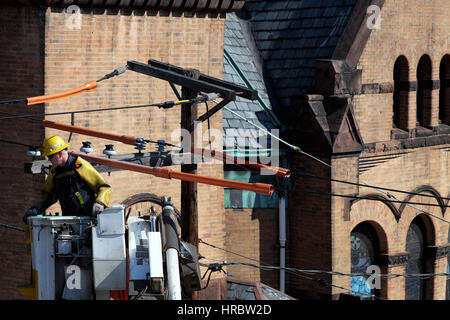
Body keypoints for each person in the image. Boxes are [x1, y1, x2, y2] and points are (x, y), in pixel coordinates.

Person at [23, 135, 111, 223]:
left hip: (88, 220)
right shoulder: (54, 172)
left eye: (50, 157)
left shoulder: (80, 166)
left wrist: (100, 203)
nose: (49, 160)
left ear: (60, 154)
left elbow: (104, 187)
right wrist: (35, 208)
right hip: (69, 222)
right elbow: (48, 195)